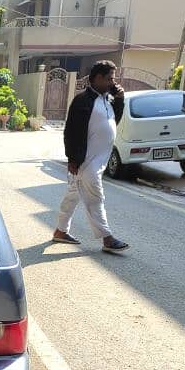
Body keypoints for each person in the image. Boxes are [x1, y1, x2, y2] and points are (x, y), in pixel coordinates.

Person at [53, 60, 130, 253]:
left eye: (114, 78)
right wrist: (73, 158)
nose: (113, 82)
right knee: (96, 198)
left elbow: (114, 121)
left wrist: (119, 98)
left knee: (72, 195)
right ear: (97, 78)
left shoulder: (107, 100)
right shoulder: (82, 101)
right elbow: (71, 132)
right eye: (109, 79)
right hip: (85, 162)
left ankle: (60, 231)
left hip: (98, 160)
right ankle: (107, 238)